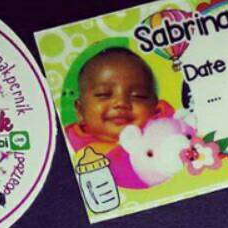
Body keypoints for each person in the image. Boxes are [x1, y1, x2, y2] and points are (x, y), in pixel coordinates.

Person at [65, 47, 176, 189]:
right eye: (103, 94)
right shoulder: (71, 144)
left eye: (138, 95)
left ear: (155, 108)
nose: (121, 103)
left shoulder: (167, 134)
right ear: (80, 111)